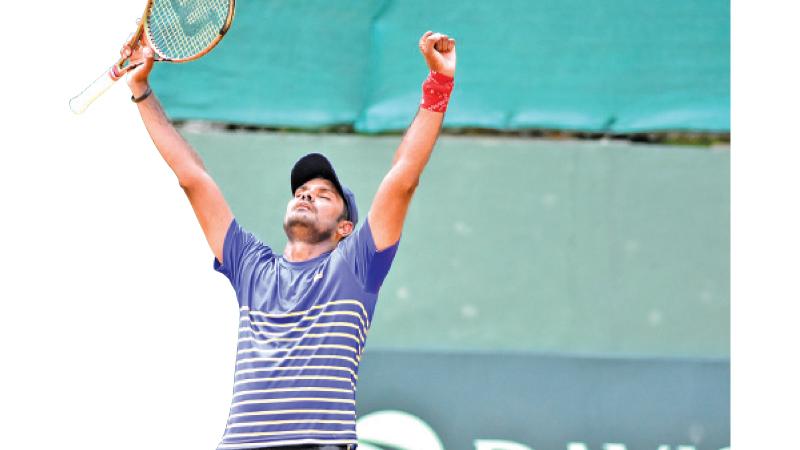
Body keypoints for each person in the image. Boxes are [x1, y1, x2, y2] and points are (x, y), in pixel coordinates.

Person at [123, 30, 457, 450]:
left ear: (344, 229)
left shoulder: (355, 266)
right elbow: (193, 178)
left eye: (324, 194)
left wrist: (439, 83)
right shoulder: (251, 267)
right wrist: (141, 90)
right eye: (301, 190)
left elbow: (403, 177)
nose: (306, 194)